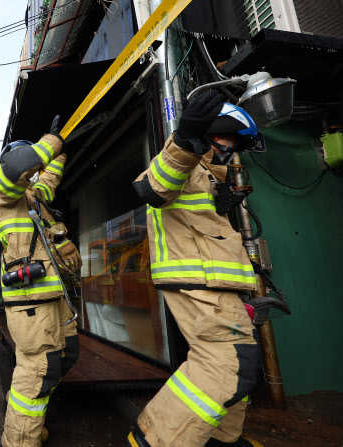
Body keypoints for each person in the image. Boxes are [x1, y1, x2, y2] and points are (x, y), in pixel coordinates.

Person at [127, 91, 264, 447]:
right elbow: (151, 186)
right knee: (225, 367)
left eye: (234, 142)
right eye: (224, 137)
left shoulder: (210, 175)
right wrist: (184, 141)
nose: (228, 147)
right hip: (200, 285)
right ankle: (152, 440)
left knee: (240, 368)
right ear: (208, 131)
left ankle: (222, 440)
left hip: (218, 286)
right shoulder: (185, 161)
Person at [0, 116, 82, 447]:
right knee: (38, 371)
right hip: (30, 301)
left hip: (54, 297)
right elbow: (21, 165)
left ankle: (28, 409)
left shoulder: (35, 198)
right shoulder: (5, 195)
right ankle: (19, 437)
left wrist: (60, 146)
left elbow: (50, 177)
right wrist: (50, 140)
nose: (33, 174)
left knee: (65, 356)